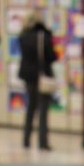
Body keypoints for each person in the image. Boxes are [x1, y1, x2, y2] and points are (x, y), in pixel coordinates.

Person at [18, 12, 56, 152]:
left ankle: (26, 140)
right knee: (43, 110)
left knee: (30, 108)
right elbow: (51, 56)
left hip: (28, 77)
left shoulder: (22, 37)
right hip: (42, 76)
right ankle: (43, 142)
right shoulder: (43, 37)